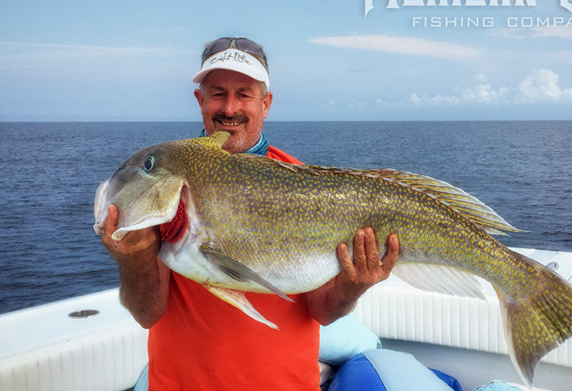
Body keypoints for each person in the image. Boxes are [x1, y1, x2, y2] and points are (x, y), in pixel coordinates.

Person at [101, 37, 400, 390]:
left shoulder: (305, 184)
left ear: (265, 103)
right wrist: (134, 258)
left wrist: (352, 287)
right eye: (217, 93)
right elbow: (146, 312)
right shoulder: (172, 178)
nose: (229, 108)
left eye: (243, 93)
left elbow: (322, 310)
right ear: (200, 100)